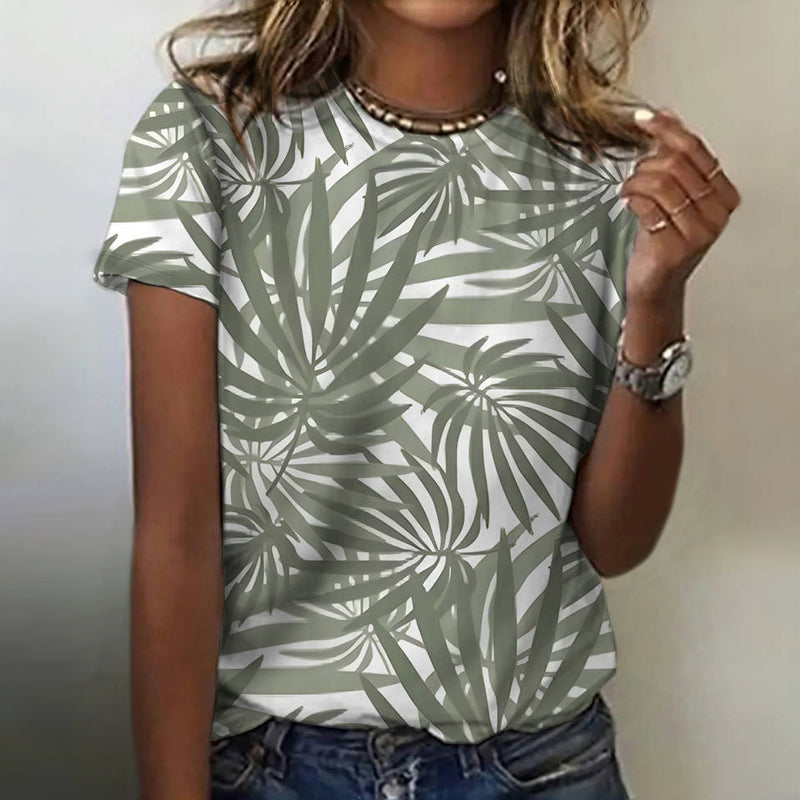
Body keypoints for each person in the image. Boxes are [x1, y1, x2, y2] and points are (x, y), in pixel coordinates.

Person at [92, 0, 740, 798]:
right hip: (276, 772)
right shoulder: (211, 138)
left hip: (544, 766)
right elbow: (175, 535)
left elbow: (616, 542)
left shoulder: (612, 169)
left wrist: (658, 300)